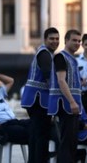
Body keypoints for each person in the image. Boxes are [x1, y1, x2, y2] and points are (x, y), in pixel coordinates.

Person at [21, 27, 60, 163]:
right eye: (52, 39)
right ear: (45, 40)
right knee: (42, 136)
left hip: (34, 99)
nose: (55, 41)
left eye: (57, 39)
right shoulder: (45, 54)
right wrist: (58, 96)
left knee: (35, 135)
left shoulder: (45, 53)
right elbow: (49, 77)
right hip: (38, 100)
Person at [48, 29, 83, 163]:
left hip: (71, 106)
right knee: (67, 143)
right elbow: (61, 81)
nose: (77, 43)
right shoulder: (61, 57)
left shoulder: (72, 59)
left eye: (79, 41)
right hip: (65, 105)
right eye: (74, 40)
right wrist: (72, 102)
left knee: (71, 142)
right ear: (66, 41)